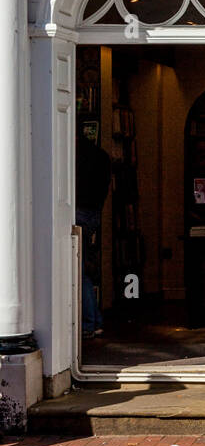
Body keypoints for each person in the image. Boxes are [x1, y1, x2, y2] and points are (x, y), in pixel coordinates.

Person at [75, 132, 112, 340]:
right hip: (93, 213)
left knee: (77, 272)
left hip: (79, 211)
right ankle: (94, 320)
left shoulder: (75, 155)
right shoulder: (101, 155)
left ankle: (89, 322)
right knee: (82, 270)